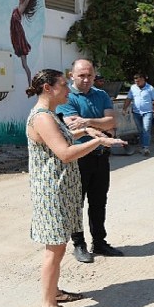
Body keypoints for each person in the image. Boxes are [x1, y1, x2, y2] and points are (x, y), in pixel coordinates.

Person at [25, 69, 126, 307]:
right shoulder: (42, 117)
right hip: (52, 193)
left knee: (59, 247)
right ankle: (48, 306)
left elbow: (64, 137)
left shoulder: (49, 115)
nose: (68, 90)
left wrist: (87, 132)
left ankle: (54, 292)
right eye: (63, 85)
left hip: (62, 189)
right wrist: (99, 142)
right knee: (55, 249)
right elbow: (65, 152)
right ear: (48, 88)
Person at [56, 59, 125, 263]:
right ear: (72, 76)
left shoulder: (101, 95)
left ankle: (100, 242)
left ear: (95, 75)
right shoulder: (67, 97)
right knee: (77, 202)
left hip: (101, 156)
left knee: (98, 201)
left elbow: (112, 121)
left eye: (90, 75)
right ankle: (79, 244)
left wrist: (87, 121)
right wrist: (100, 129)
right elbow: (72, 125)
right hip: (79, 157)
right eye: (81, 75)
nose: (86, 79)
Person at [122, 73, 154, 156]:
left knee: (146, 129)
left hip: (147, 112)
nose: (137, 83)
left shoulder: (150, 88)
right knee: (140, 130)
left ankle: (145, 147)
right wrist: (124, 108)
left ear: (143, 80)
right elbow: (129, 98)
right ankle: (142, 146)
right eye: (135, 81)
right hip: (136, 112)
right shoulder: (133, 88)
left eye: (138, 81)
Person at [10, 0, 37, 86]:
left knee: (24, 64)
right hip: (16, 35)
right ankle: (30, 83)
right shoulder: (19, 6)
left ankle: (30, 84)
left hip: (18, 36)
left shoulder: (22, 6)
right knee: (24, 64)